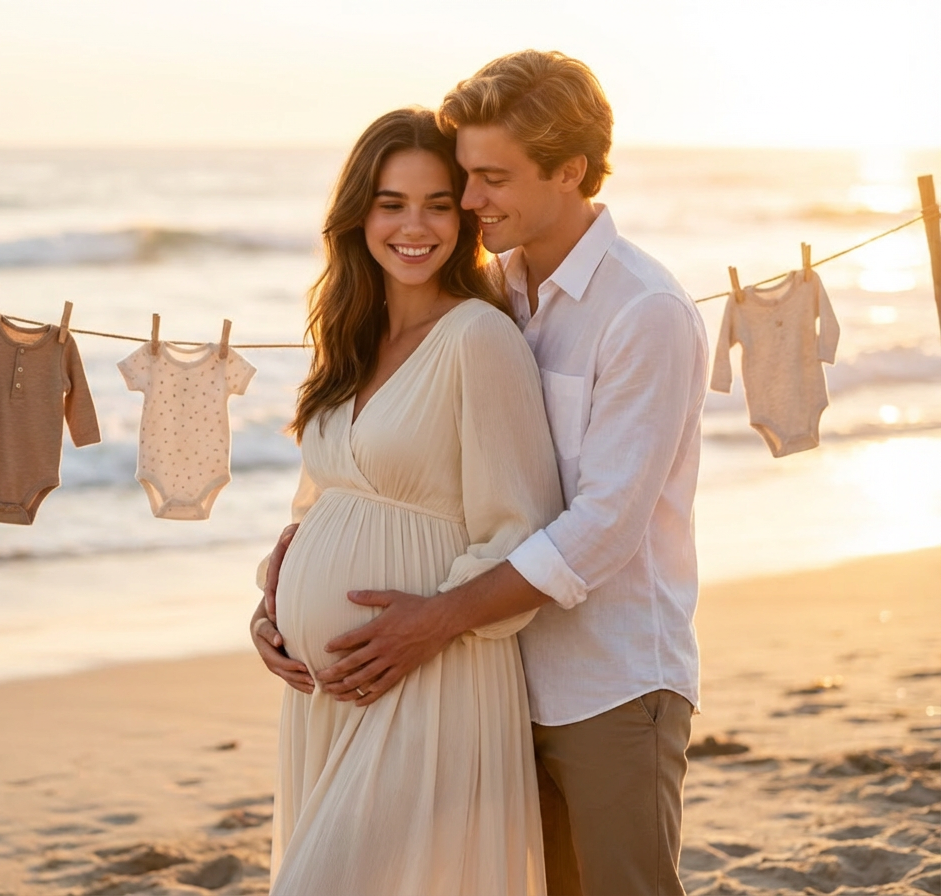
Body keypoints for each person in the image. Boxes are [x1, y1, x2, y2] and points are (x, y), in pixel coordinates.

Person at [258, 52, 710, 895]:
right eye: (462, 177)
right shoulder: (498, 290)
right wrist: (282, 591)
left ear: (569, 170)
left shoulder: (643, 312)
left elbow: (602, 527)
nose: (467, 204)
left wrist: (435, 619)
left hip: (604, 677)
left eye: (488, 179)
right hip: (488, 676)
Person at [250, 107, 564, 895]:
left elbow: (518, 528)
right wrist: (273, 604)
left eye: (438, 203)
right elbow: (313, 505)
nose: (415, 226)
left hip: (430, 673)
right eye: (393, 203)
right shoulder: (348, 340)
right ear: (360, 213)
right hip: (327, 689)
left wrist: (424, 629)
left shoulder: (478, 339)